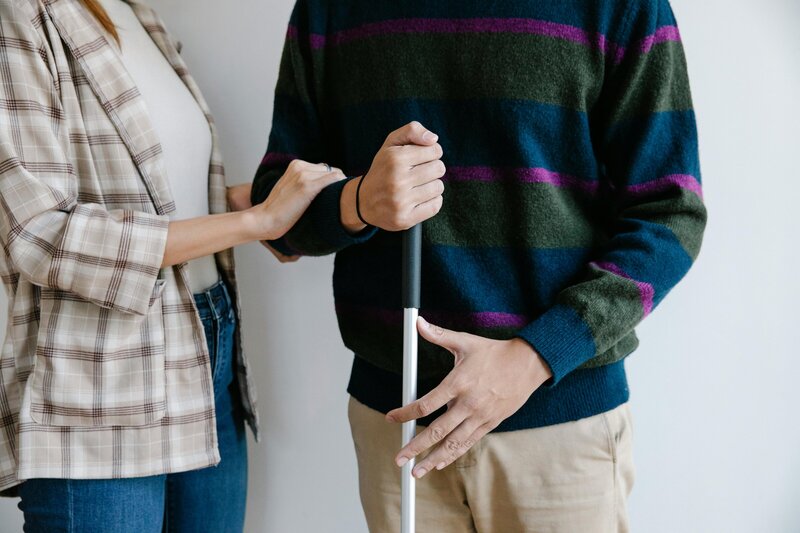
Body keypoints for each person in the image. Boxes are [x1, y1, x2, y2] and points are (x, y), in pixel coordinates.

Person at [244, 0, 708, 531]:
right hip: (396, 423)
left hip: (558, 422)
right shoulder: (329, 10)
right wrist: (358, 202)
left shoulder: (619, 7)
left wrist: (535, 356)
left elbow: (671, 213)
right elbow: (274, 213)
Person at [0, 0, 351, 530]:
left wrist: (274, 206)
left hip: (209, 344)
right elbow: (41, 232)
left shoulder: (138, 11)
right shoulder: (20, 14)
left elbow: (166, 191)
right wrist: (256, 222)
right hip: (102, 380)